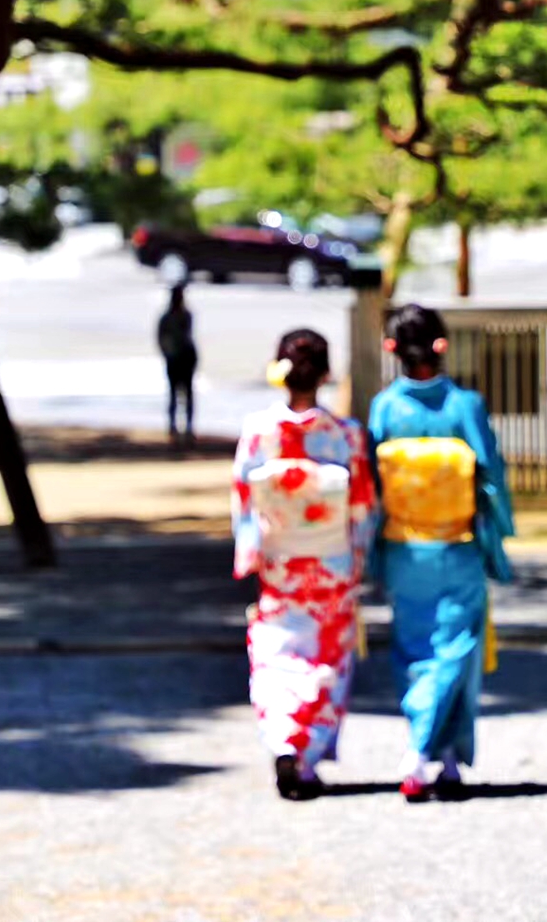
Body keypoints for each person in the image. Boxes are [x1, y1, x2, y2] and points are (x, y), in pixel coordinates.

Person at [368, 304, 514, 803]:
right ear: (442, 345)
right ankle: (424, 752)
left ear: (391, 349)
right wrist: (497, 537)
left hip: (404, 548)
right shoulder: (463, 406)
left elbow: (372, 485)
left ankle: (443, 755)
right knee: (455, 649)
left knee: (414, 651)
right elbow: (491, 478)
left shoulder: (386, 408)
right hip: (456, 546)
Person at [232, 328, 376, 800]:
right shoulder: (345, 435)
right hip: (331, 563)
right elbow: (361, 508)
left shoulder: (258, 432)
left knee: (276, 654)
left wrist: (250, 551)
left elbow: (244, 502)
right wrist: (357, 557)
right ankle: (308, 756)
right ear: (327, 374)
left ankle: (282, 743)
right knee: (327, 658)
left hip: (280, 564)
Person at [157, 284, 198, 443]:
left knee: (186, 394)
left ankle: (187, 426)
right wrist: (169, 354)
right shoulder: (169, 318)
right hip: (175, 358)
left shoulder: (185, 315)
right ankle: (173, 427)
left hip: (185, 358)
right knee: (175, 394)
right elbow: (162, 339)